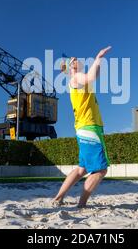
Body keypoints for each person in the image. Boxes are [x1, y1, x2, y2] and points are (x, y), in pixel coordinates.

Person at [53, 47, 112, 208]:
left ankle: (58, 198)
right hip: (89, 127)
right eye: (73, 60)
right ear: (72, 67)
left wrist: (97, 63)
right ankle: (82, 204)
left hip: (83, 127)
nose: (76, 59)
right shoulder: (77, 77)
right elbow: (92, 76)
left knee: (82, 169)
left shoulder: (77, 80)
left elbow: (94, 75)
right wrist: (98, 57)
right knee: (101, 170)